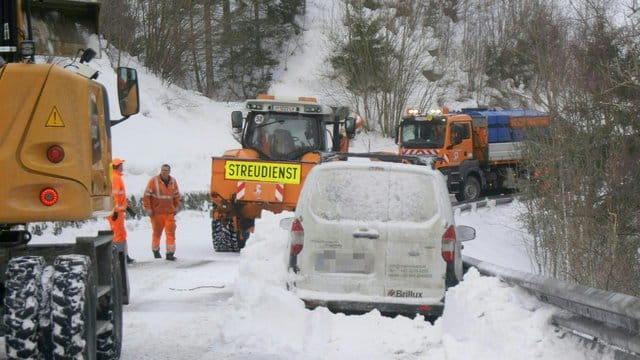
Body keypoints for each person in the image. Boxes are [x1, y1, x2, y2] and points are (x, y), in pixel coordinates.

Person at [142, 164, 181, 261]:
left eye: (166, 170)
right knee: (157, 233)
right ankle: (155, 250)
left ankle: (170, 253)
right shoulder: (153, 181)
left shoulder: (173, 182)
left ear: (169, 171)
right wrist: (148, 208)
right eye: (163, 170)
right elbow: (146, 196)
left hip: (169, 213)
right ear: (161, 171)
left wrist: (176, 207)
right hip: (157, 213)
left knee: (170, 233)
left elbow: (176, 196)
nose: (164, 172)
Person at [107, 158, 135, 264]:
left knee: (121, 234)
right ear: (117, 166)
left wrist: (128, 208)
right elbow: (113, 196)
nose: (122, 167)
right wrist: (113, 210)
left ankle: (124, 255)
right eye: (121, 165)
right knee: (118, 235)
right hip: (116, 213)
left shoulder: (116, 177)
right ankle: (120, 257)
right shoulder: (115, 178)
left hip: (117, 212)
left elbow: (120, 197)